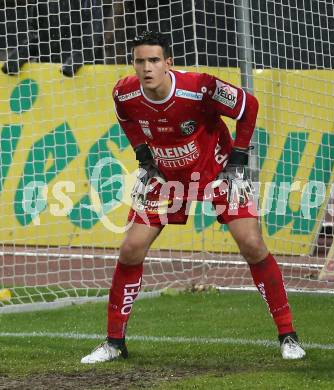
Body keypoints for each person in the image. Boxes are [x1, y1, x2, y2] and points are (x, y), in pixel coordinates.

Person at [81, 30, 306, 364]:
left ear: (168, 63)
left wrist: (240, 157)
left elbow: (248, 106)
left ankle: (288, 336)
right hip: (166, 176)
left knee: (252, 245)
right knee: (130, 250)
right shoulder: (124, 93)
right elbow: (124, 116)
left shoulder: (199, 87)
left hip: (216, 172)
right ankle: (114, 343)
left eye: (154, 60)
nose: (147, 68)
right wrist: (143, 155)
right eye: (140, 61)